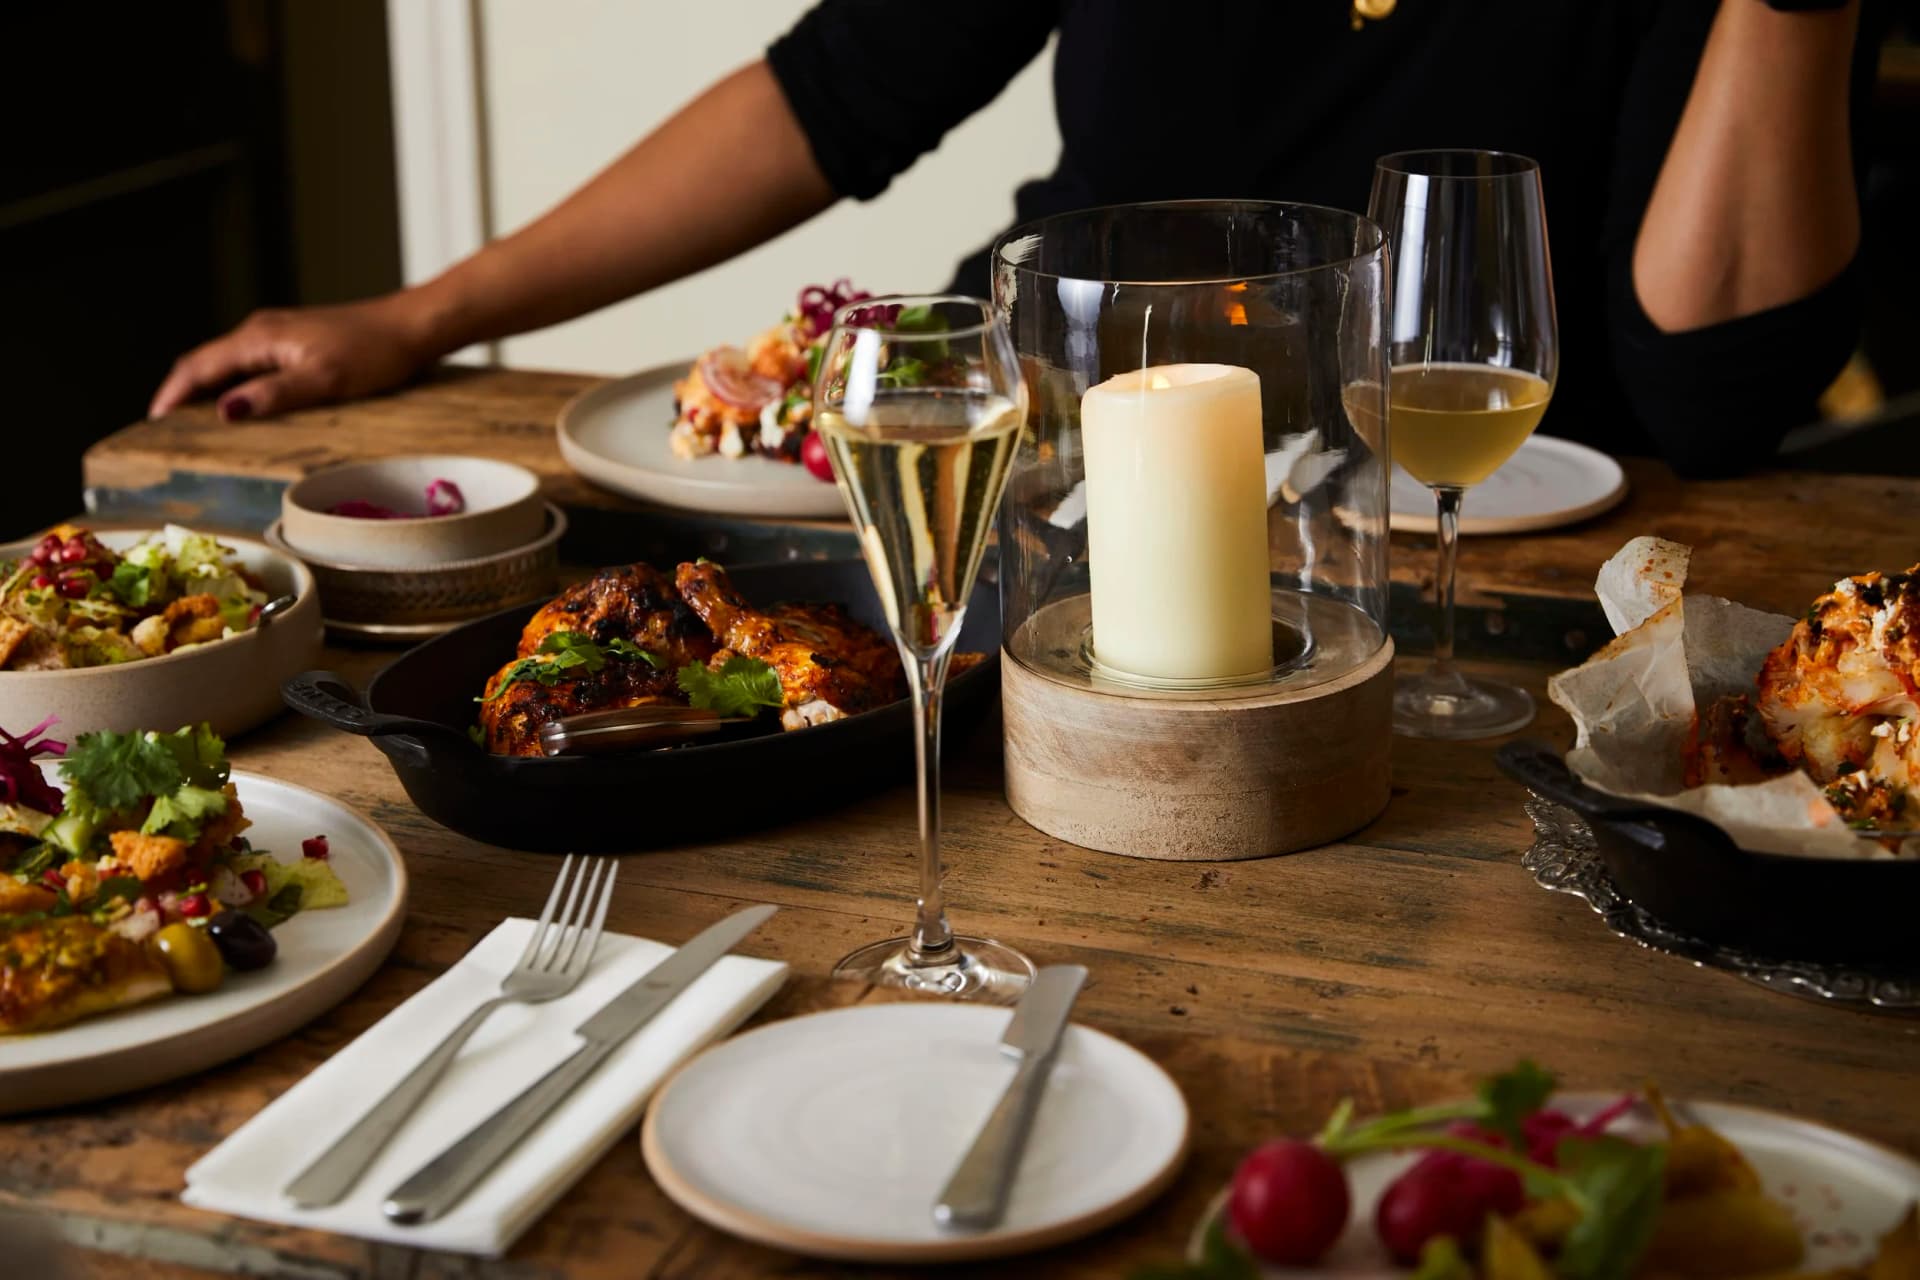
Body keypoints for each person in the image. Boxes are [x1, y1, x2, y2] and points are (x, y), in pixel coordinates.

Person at [150, 0, 1885, 478]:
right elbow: (836, 94)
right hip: (1035, 482)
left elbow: (1712, 391)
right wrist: (419, 313)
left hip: (1469, 564)